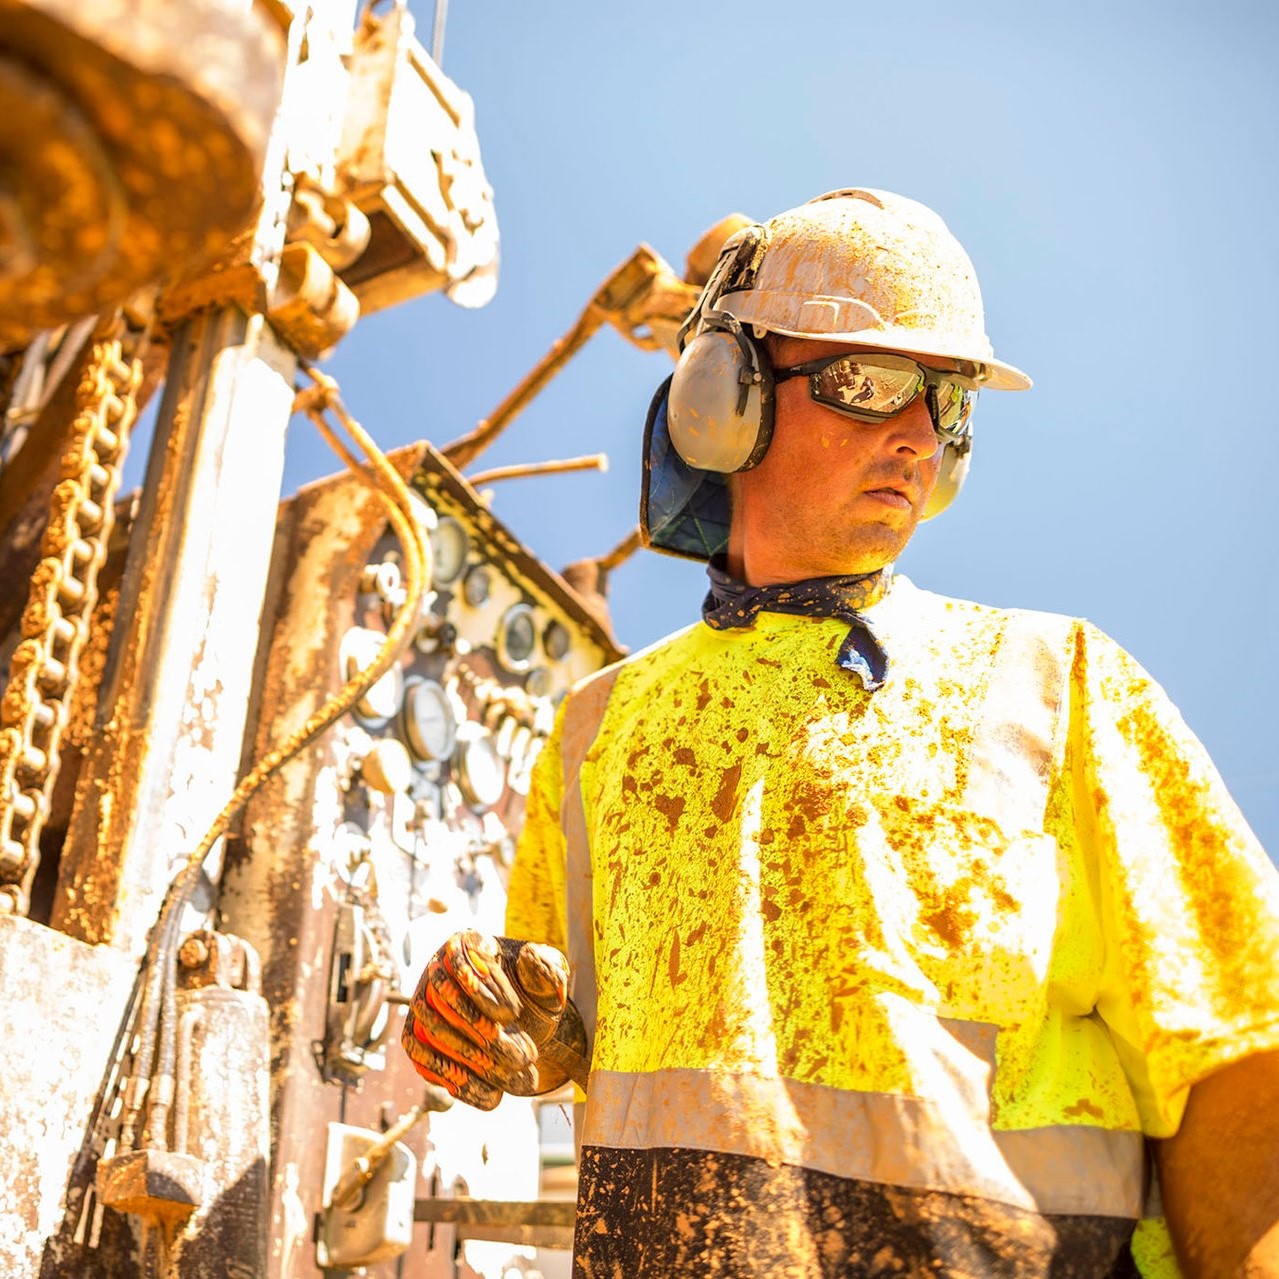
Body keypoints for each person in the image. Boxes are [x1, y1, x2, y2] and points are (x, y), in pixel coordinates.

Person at [402, 189, 1279, 1278]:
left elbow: (1238, 1053)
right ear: (722, 396)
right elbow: (566, 1029)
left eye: (946, 401)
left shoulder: (1057, 683)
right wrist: (503, 1029)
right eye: (870, 383)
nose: (919, 436)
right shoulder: (599, 726)